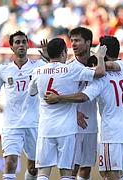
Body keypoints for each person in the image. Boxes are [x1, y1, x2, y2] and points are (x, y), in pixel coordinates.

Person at [44, 35, 123, 180]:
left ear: (103, 52)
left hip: (111, 132)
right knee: (117, 172)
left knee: (110, 173)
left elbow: (83, 96)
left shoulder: (102, 78)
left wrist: (59, 98)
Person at [28, 37, 106, 180]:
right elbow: (100, 72)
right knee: (66, 173)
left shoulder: (37, 71)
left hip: (46, 128)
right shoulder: (72, 69)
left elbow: (32, 92)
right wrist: (100, 56)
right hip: (67, 129)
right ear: (64, 52)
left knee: (43, 173)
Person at [0, 31, 46, 180]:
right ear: (11, 47)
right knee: (10, 162)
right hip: (12, 124)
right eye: (17, 42)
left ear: (27, 45)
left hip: (34, 123)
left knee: (33, 168)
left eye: (24, 42)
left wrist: (48, 58)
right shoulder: (3, 70)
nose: (21, 45)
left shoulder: (39, 65)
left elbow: (56, 72)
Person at [68, 27, 122, 180]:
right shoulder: (69, 67)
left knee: (85, 170)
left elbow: (118, 71)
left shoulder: (100, 63)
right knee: (73, 169)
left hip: (91, 125)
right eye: (72, 41)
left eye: (77, 40)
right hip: (73, 125)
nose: (73, 44)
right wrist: (74, 112)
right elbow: (59, 95)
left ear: (88, 42)